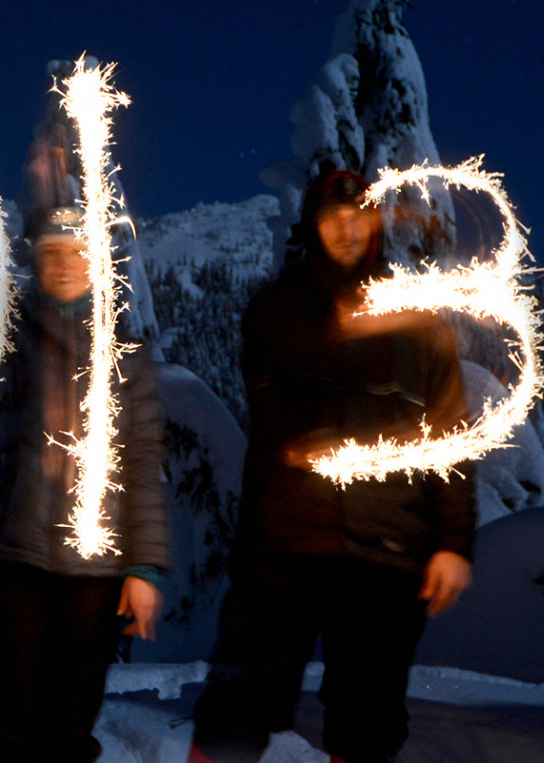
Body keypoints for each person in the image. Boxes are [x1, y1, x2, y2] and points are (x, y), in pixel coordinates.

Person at [189, 168, 475, 763]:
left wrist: (454, 541)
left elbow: (451, 437)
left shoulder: (419, 321)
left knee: (366, 720)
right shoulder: (278, 310)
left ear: (374, 224)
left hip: (386, 550)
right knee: (237, 705)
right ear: (312, 227)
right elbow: (274, 394)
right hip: (289, 541)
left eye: (358, 218)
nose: (346, 231)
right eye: (331, 219)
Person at [0, 205, 169, 763]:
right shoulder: (7, 345)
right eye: (51, 252)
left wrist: (144, 567)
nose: (64, 264)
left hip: (95, 570)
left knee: (71, 719)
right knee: (7, 715)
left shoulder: (126, 354)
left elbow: (143, 461)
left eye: (77, 252)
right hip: (17, 558)